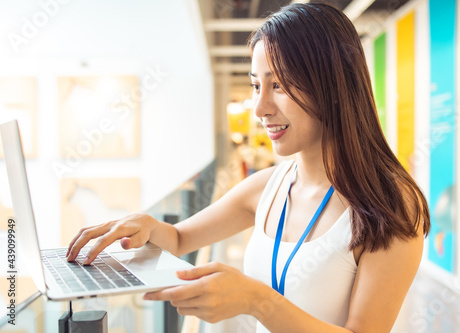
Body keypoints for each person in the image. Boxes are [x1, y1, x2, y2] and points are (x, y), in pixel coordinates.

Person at [66, 2, 430, 332]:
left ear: (331, 85)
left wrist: (257, 301)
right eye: (257, 86)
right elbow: (179, 238)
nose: (260, 108)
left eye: (280, 85)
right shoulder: (269, 185)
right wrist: (146, 225)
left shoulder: (390, 204)